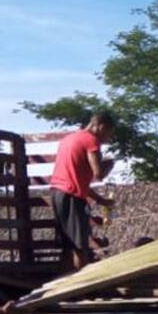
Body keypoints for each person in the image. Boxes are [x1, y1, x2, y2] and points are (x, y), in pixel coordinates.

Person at [49, 111, 117, 270]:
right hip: (71, 197)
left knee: (68, 244)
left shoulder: (69, 139)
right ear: (100, 127)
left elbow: (76, 181)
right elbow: (98, 174)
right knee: (80, 246)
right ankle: (81, 285)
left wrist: (100, 200)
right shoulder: (91, 140)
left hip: (57, 193)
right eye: (108, 133)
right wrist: (109, 164)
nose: (108, 138)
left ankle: (65, 285)